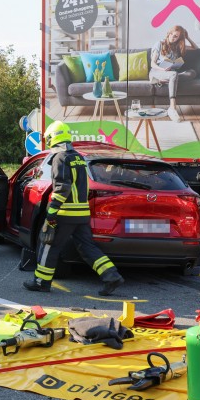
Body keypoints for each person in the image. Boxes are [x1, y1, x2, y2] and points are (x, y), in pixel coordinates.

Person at [23, 121, 124, 296]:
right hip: (82, 213)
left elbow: (62, 187)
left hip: (65, 213)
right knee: (87, 247)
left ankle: (41, 282)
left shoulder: (60, 158)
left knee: (49, 246)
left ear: (54, 138)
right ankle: (111, 275)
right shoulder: (77, 157)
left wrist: (52, 212)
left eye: (48, 138)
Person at [149, 25, 198, 123]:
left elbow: (195, 48)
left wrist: (187, 37)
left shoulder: (176, 47)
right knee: (173, 75)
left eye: (176, 36)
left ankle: (168, 81)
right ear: (169, 33)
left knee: (192, 73)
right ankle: (172, 107)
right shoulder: (159, 43)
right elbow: (152, 63)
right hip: (157, 72)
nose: (173, 37)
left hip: (170, 73)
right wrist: (162, 70)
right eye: (172, 34)